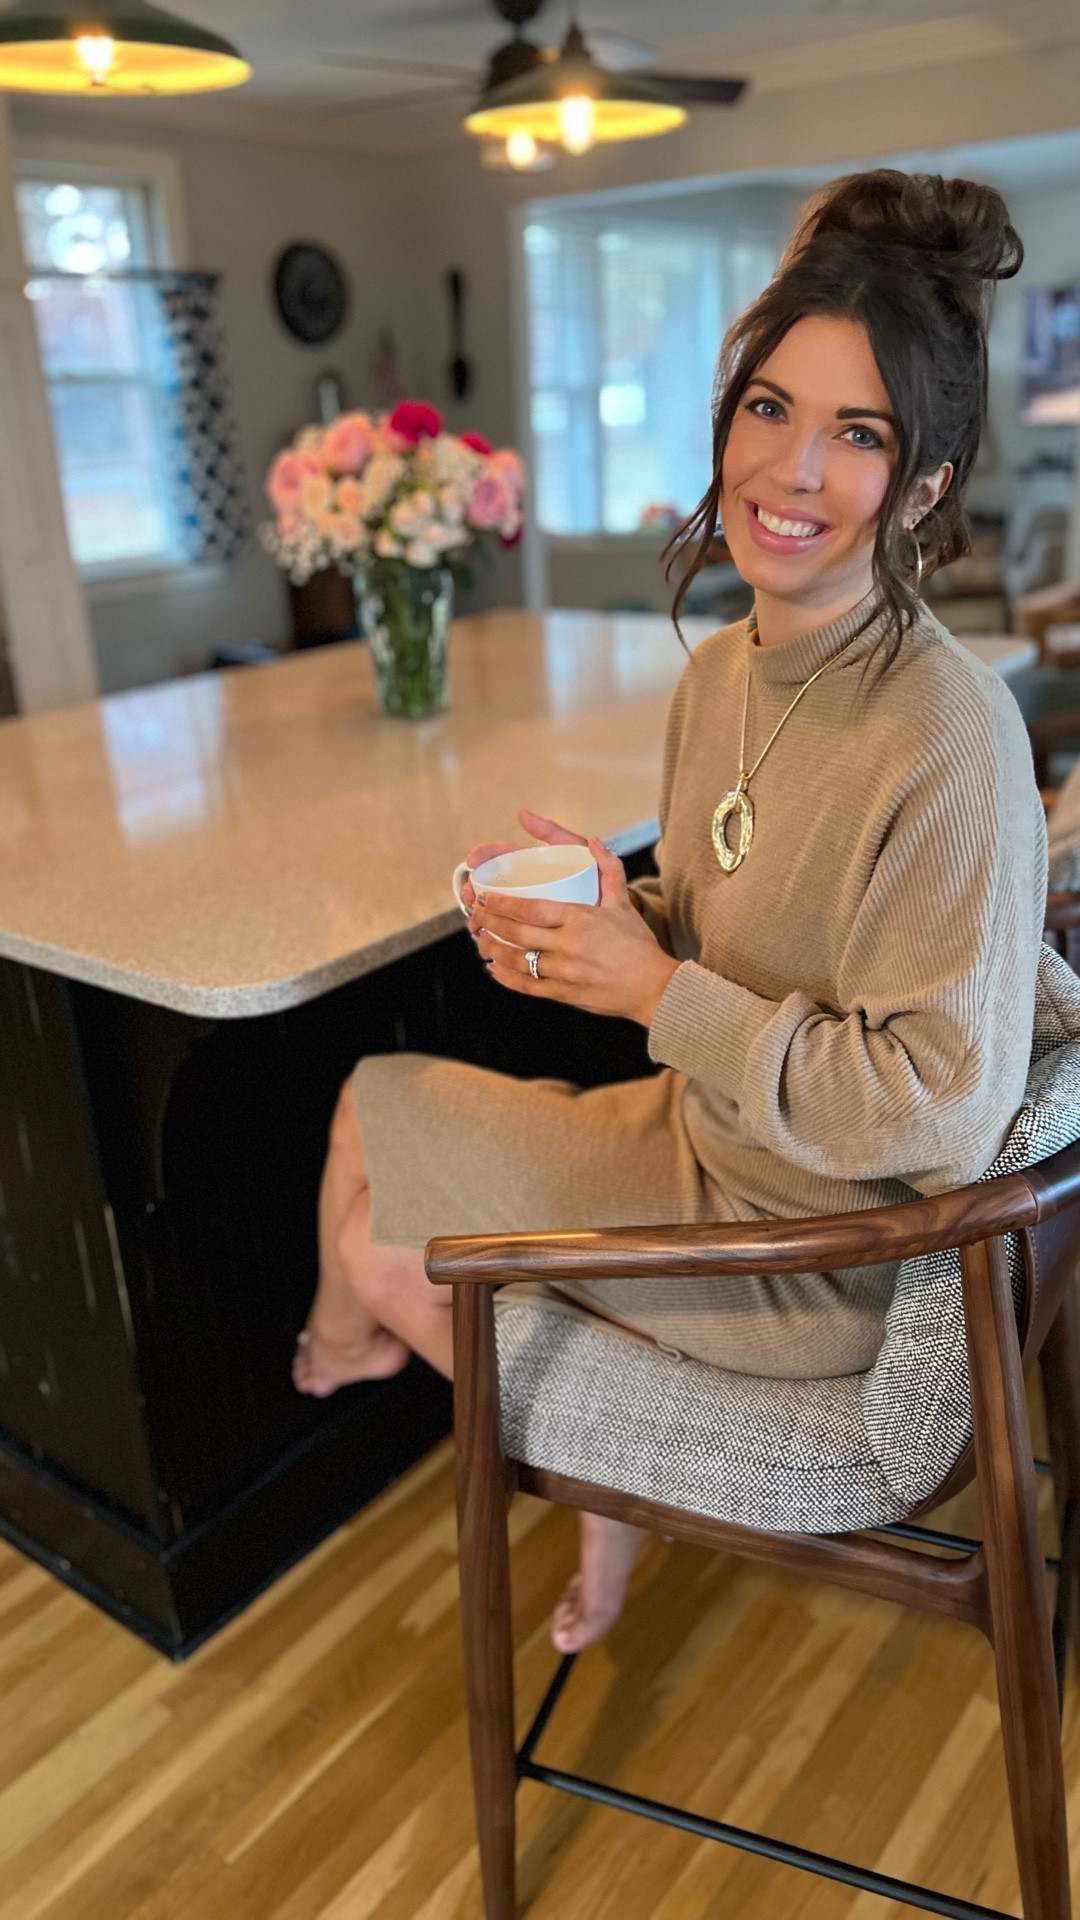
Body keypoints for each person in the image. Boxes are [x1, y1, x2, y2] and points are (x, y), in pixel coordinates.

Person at [293, 170, 1046, 1655]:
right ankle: (436, 1389)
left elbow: (940, 1118)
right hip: (704, 1145)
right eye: (769, 409)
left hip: (813, 1253)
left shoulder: (950, 737)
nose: (793, 470)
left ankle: (350, 1358)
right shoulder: (724, 672)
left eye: (860, 434)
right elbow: (738, 915)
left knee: (381, 1253)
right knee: (371, 1113)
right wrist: (614, 907)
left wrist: (649, 993)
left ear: (928, 483)